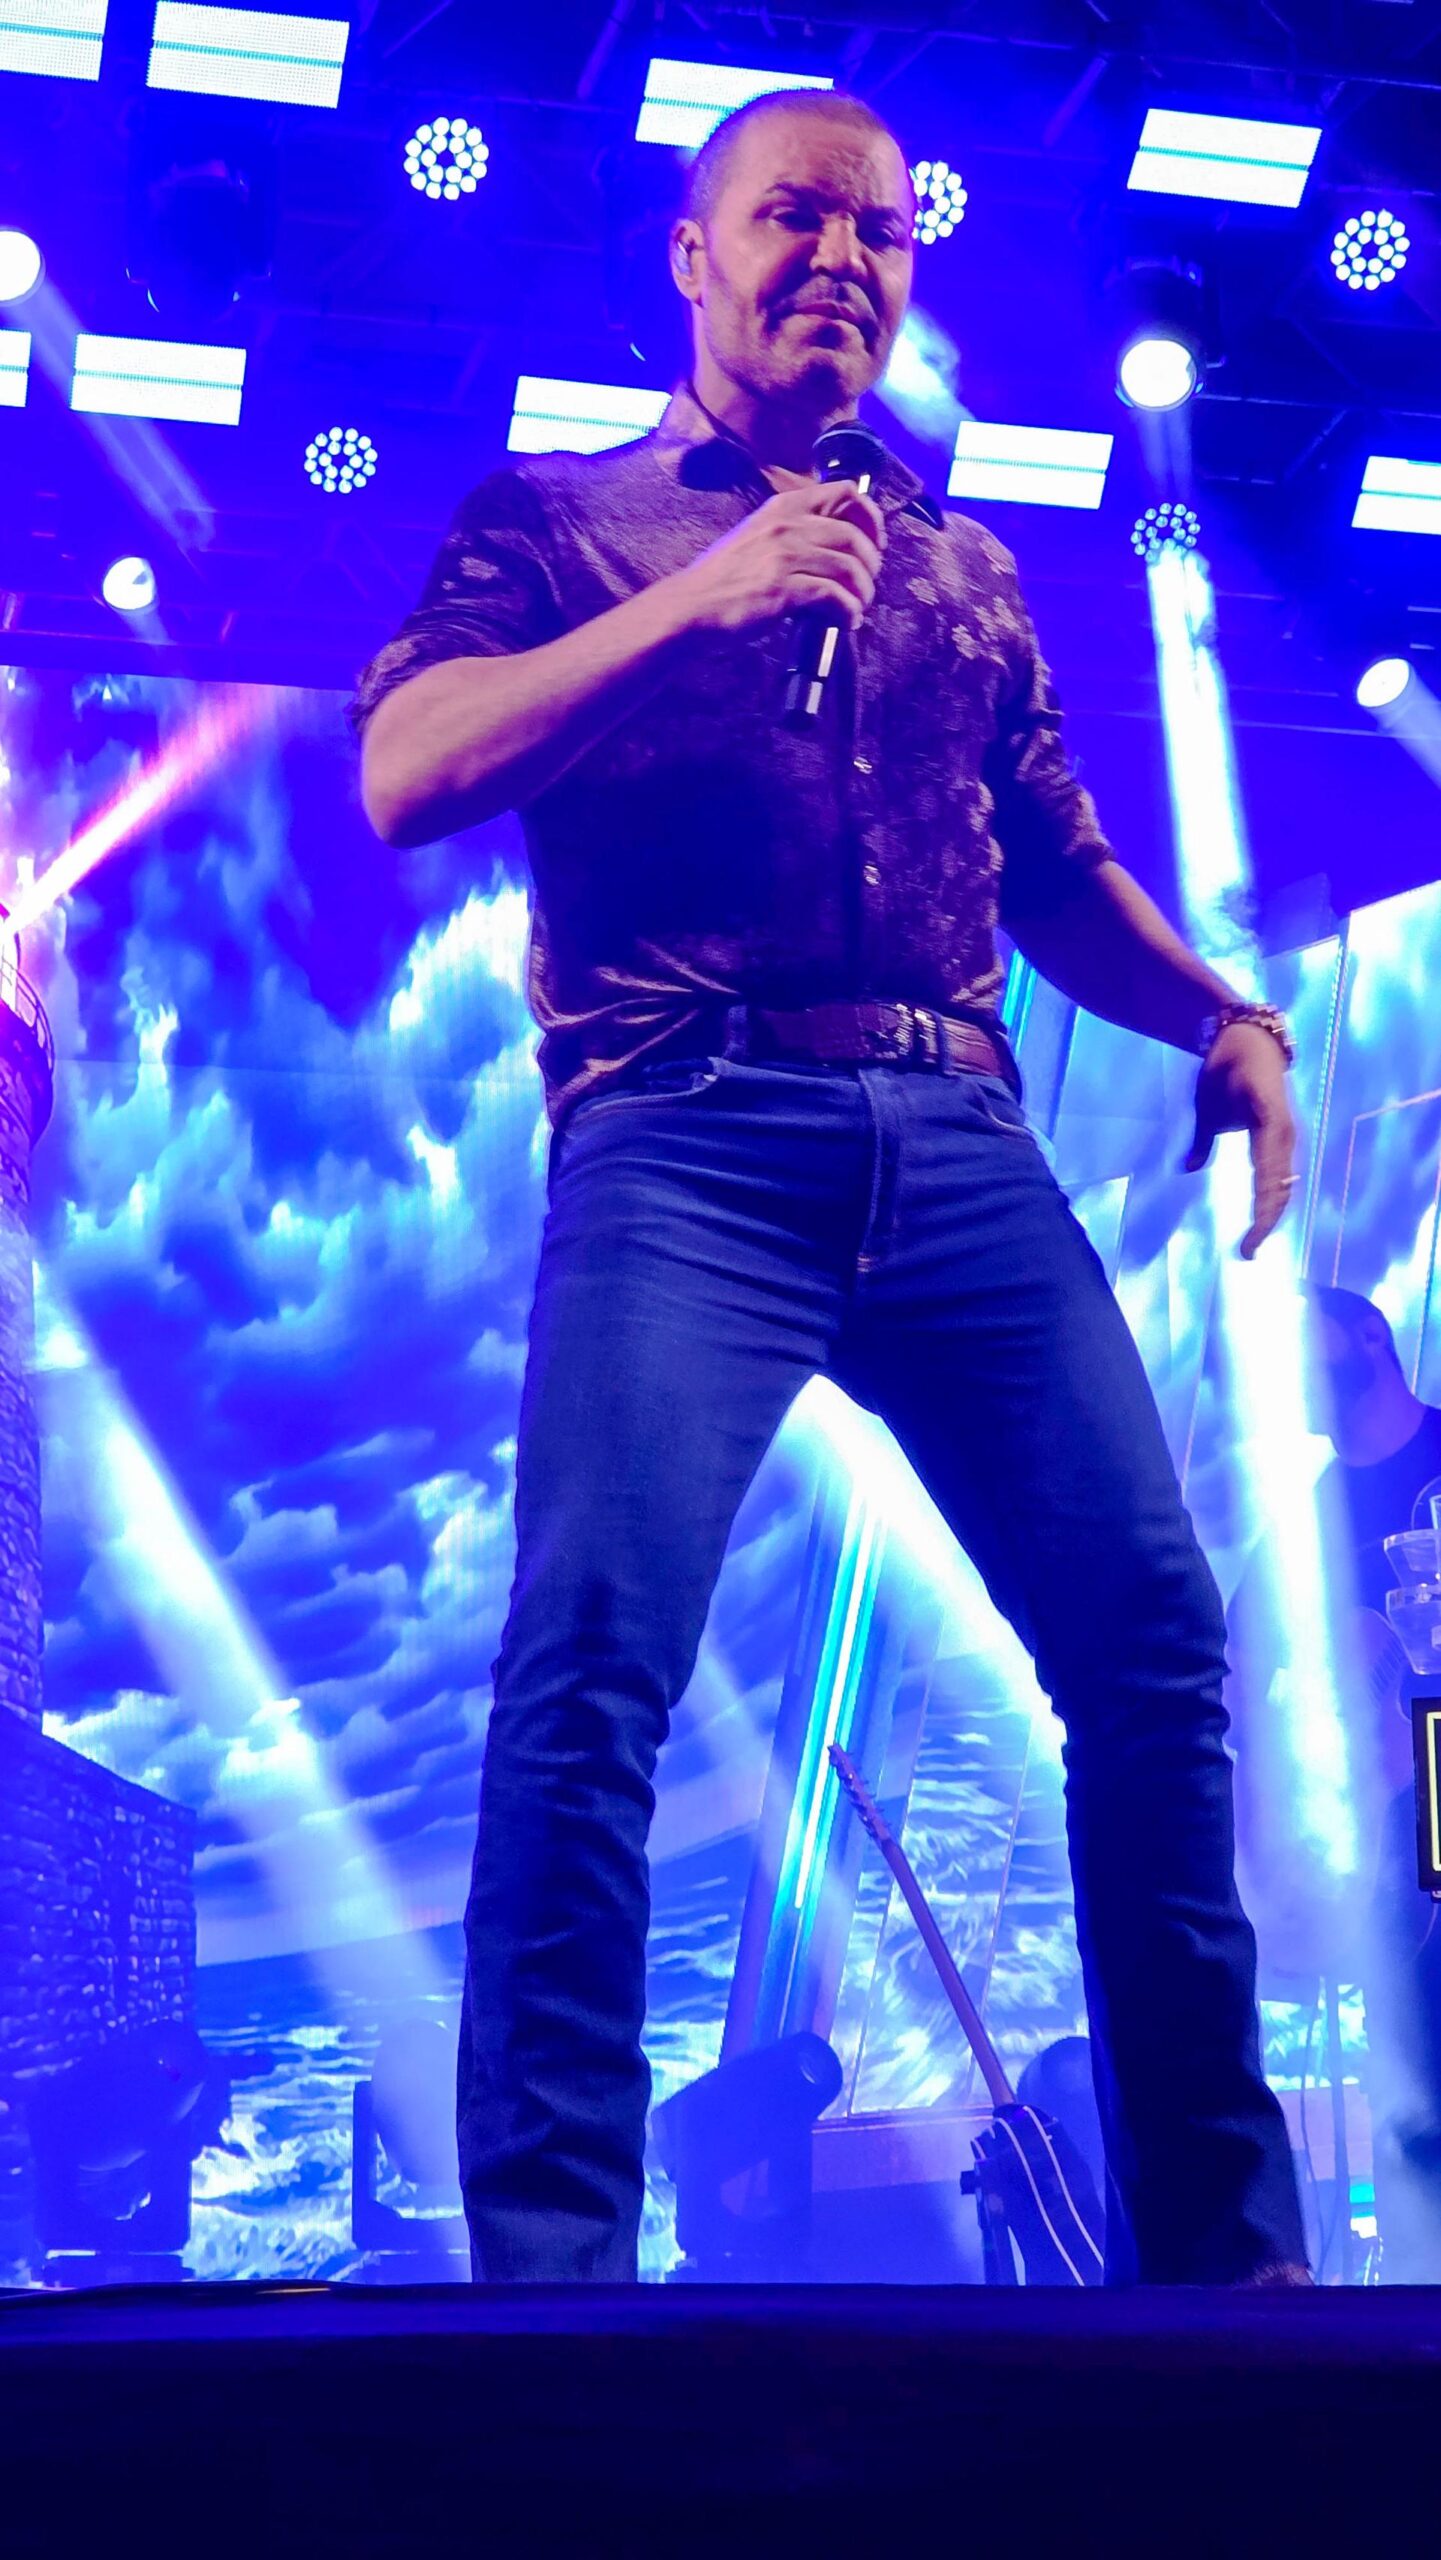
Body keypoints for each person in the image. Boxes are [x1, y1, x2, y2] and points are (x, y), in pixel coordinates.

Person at [354, 88, 1308, 2285]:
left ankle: (1222, 2263)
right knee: (590, 1667)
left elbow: (1052, 862)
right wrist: (702, 598)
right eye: (795, 216)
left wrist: (1217, 1014)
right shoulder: (562, 517)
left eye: (881, 232)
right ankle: (552, 2284)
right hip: (682, 1127)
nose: (845, 260)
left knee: (1154, 1647)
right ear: (692, 254)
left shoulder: (959, 565)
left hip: (958, 1138)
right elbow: (407, 766)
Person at [1231, 1288, 1441, 2275]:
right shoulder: (1310, 1515)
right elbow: (1233, 1663)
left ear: (1367, 1334)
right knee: (1406, 2074)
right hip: (1383, 1839)